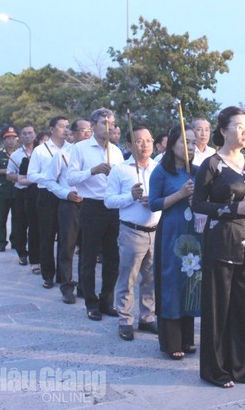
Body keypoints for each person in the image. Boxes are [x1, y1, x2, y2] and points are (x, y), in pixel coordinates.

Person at [192, 106, 245, 388]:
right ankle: (215, 370)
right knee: (218, 308)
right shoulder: (211, 165)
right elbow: (198, 204)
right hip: (220, 244)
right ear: (223, 131)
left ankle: (242, 366)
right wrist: (233, 208)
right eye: (239, 126)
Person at [67, 108, 124, 321]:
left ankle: (106, 300)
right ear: (93, 126)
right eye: (104, 123)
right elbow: (71, 178)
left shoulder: (116, 151)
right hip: (91, 205)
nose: (109, 127)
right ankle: (90, 302)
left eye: (112, 123)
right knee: (89, 255)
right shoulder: (80, 148)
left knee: (112, 256)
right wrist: (93, 170)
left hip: (113, 206)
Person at [104, 125, 160, 341]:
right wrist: (130, 196)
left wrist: (154, 202)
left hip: (155, 230)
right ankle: (125, 319)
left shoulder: (159, 168)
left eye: (148, 140)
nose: (144, 144)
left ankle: (147, 316)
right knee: (128, 277)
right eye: (138, 140)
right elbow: (108, 200)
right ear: (129, 145)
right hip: (131, 232)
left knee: (152, 277)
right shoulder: (120, 169)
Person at [149, 124, 200, 360]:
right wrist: (180, 195)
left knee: (190, 283)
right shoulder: (161, 172)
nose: (190, 147)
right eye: (184, 142)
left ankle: (188, 338)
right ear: (172, 145)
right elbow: (154, 203)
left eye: (192, 142)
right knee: (171, 283)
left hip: (193, 234)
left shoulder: (198, 172)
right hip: (171, 233)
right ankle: (171, 342)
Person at [45, 118, 92, 304]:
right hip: (69, 205)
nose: (87, 134)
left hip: (90, 205)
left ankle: (84, 287)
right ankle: (66, 286)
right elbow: (49, 181)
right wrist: (66, 194)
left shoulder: (95, 154)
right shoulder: (63, 154)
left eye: (89, 130)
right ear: (72, 134)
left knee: (87, 248)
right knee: (67, 247)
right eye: (82, 130)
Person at [27, 116, 71, 289]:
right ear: (52, 129)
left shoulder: (72, 149)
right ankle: (48, 274)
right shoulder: (41, 150)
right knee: (46, 235)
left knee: (66, 237)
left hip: (67, 195)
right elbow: (31, 175)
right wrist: (50, 178)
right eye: (62, 126)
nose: (66, 130)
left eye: (68, 126)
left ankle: (63, 275)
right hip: (47, 195)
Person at [6, 125, 40, 271]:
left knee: (35, 226)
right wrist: (20, 178)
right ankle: (22, 253)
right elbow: (8, 175)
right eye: (24, 134)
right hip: (21, 193)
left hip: (36, 193)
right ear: (21, 137)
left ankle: (35, 259)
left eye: (30, 133)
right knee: (20, 224)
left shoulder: (41, 152)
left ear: (35, 135)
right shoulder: (16, 155)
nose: (27, 136)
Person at [0, 127, 18, 252]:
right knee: (2, 218)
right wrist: (6, 171)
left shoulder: (20, 153)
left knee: (17, 218)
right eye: (8, 138)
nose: (10, 141)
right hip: (2, 191)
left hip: (17, 190)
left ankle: (15, 241)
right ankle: (2, 242)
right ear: (4, 140)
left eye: (13, 138)